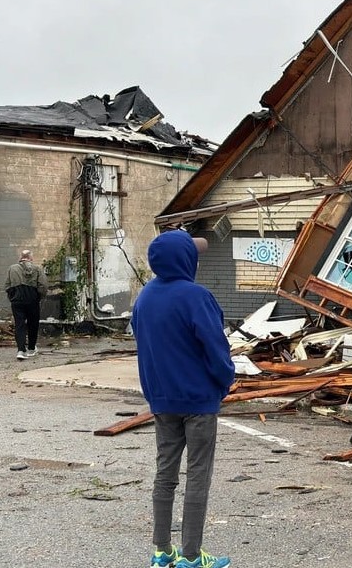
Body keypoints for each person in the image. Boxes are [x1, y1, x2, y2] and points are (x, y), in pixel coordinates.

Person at [132, 230, 234, 568]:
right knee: (198, 475)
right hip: (198, 401)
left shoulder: (144, 298)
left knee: (165, 475)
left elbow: (144, 351)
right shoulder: (196, 296)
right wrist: (222, 384)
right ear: (185, 259)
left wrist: (154, 393)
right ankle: (191, 556)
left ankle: (162, 551)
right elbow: (216, 349)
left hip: (163, 401)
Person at [5, 249, 49, 360]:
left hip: (17, 300)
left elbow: (7, 285)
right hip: (32, 299)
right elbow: (43, 285)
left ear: (21, 257)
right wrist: (39, 296)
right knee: (33, 324)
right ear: (30, 258)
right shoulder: (37, 269)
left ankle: (20, 350)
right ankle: (31, 348)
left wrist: (12, 296)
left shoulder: (12, 269)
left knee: (19, 324)